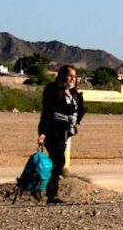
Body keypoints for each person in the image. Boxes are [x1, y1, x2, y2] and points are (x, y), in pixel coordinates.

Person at [37, 65, 86, 204]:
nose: (71, 79)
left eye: (74, 76)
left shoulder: (73, 93)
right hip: (52, 130)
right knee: (59, 160)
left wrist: (80, 96)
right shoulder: (53, 90)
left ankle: (43, 188)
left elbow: (80, 112)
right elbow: (47, 112)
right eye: (69, 76)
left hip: (65, 131)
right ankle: (51, 194)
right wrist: (43, 132)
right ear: (62, 76)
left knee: (56, 161)